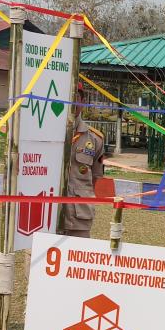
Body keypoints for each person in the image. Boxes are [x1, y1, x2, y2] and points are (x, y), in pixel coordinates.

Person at [60, 85, 106, 238]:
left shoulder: (95, 139)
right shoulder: (45, 133)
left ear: (83, 101)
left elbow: (96, 178)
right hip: (46, 213)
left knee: (75, 259)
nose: (71, 103)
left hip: (78, 217)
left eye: (75, 98)